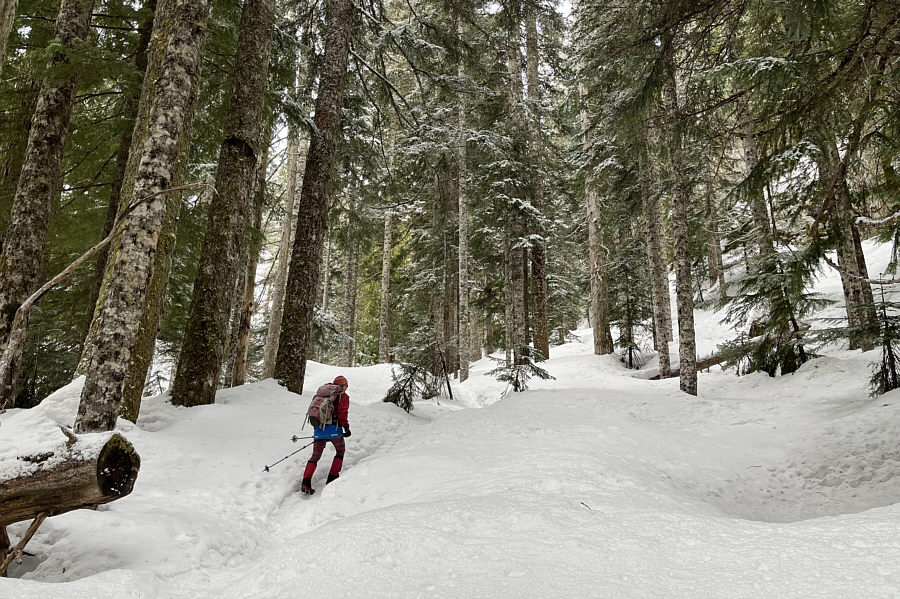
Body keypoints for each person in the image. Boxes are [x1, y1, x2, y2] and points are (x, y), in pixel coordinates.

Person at [300, 375, 351, 495]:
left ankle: (305, 482)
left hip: (318, 429)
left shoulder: (322, 394)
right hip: (334, 429)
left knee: (315, 456)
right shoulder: (342, 396)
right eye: (345, 386)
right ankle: (332, 479)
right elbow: (342, 414)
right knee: (340, 451)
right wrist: (347, 428)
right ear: (341, 386)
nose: (345, 388)